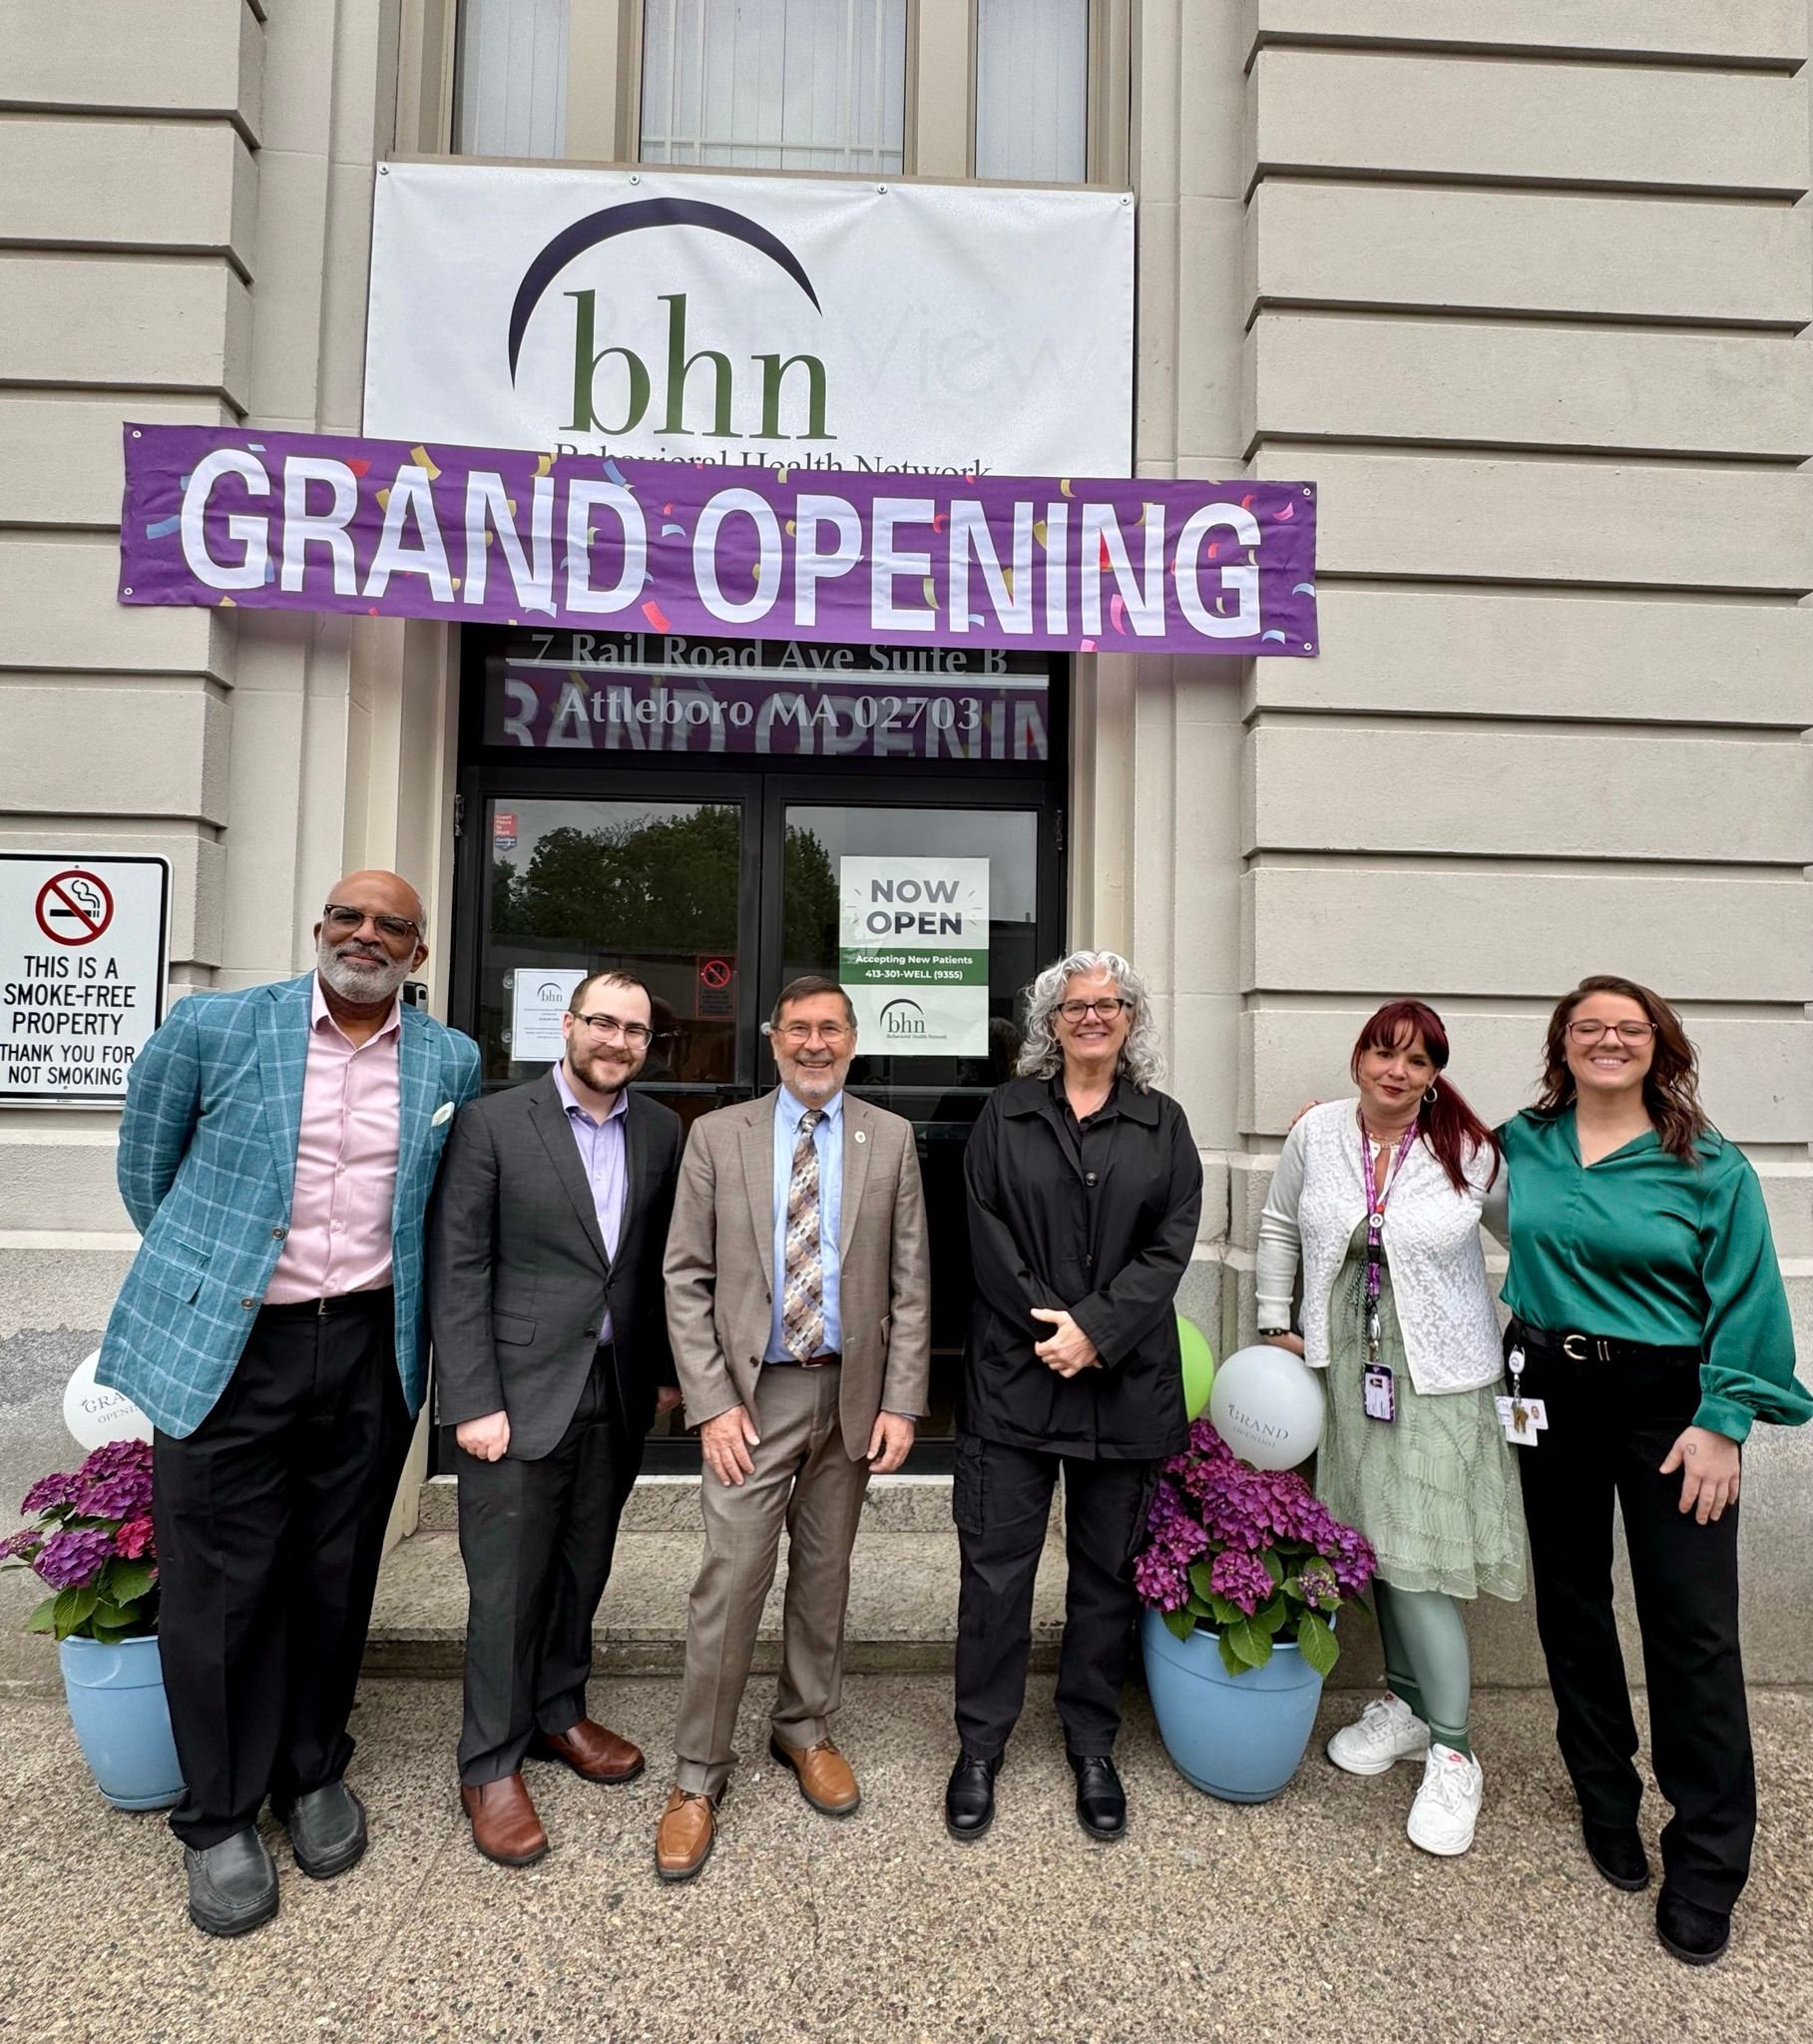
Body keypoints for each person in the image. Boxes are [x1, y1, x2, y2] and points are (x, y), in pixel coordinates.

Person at [97, 873, 479, 1937]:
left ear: (418, 951)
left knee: (334, 1567)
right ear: (318, 928)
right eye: (348, 918)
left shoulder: (448, 1058)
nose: (366, 936)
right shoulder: (215, 1024)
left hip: (366, 1343)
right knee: (220, 1583)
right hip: (234, 1342)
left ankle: (312, 1768)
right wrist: (213, 1277)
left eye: (391, 925)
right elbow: (146, 1166)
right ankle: (219, 1813)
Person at [1498, 974, 1810, 1965]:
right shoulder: (1522, 1141)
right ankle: (1603, 1799)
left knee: (1692, 1627)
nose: (1606, 1039)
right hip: (1544, 1384)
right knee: (1571, 1602)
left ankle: (1708, 1860)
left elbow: (1748, 1296)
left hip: (1666, 1403)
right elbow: (1415, 1137)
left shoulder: (1707, 1166)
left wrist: (1723, 1417)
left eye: (1626, 1027)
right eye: (1586, 1025)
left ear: (1657, 1046)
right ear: (1560, 1046)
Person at [655, 975, 930, 1882]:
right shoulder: (717, 1136)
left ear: (853, 1040)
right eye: (799, 1030)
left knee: (824, 1577)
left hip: (847, 1397)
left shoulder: (887, 1138)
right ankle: (697, 1775)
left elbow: (909, 1284)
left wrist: (900, 1400)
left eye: (832, 1030)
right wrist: (710, 1403)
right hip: (751, 1397)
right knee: (729, 1584)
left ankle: (804, 1727)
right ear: (773, 1041)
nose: (816, 1044)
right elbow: (684, 1277)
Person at [1256, 1001, 1523, 1858]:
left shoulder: (1469, 1152)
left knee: (1418, 1566)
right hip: (1346, 1371)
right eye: (1383, 1053)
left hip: (1437, 1375)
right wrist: (1273, 1322)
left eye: (1416, 1060)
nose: (1396, 1072)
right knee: (1372, 1544)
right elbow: (1277, 1224)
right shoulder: (1319, 1134)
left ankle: (1454, 1749)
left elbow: (1535, 1237)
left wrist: (1535, 1329)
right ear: (1358, 1057)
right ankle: (1407, 1708)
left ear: (1434, 1072)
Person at [428, 970, 682, 1867]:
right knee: (505, 1587)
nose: (617, 1042)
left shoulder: (659, 1129)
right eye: (602, 1023)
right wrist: (472, 1402)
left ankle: (559, 1714)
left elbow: (650, 1265)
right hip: (515, 1396)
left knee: (583, 1566)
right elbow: (458, 1267)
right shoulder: (494, 1124)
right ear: (567, 1025)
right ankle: (488, 1762)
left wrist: (659, 1376)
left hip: (611, 1392)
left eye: (635, 1032)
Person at [947, 949, 1201, 1844]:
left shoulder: (1163, 1125)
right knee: (994, 1574)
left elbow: (1169, 1247)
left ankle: (1091, 1741)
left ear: (1131, 1021)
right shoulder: (1003, 1115)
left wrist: (1096, 1328)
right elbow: (983, 1234)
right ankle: (980, 1744)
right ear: (1048, 1024)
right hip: (1016, 1383)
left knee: (1104, 1577)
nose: (1091, 1018)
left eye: (1110, 1004)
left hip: (1122, 1388)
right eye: (1073, 1006)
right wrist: (1053, 1329)